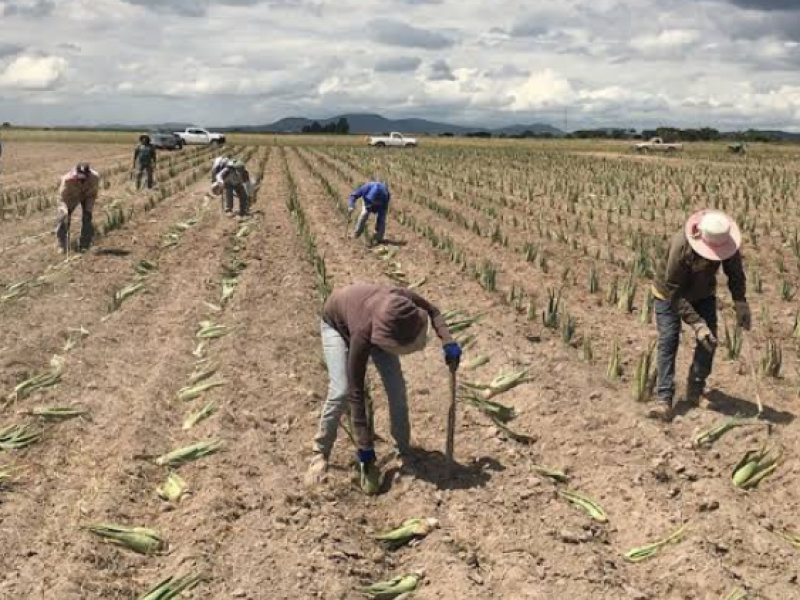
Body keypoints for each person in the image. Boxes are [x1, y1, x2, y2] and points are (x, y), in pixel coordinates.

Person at [305, 283, 463, 492]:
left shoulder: (401, 300)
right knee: (341, 390)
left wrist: (448, 341)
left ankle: (404, 450)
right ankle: (320, 453)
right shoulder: (362, 334)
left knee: (396, 388)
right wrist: (365, 447)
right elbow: (356, 392)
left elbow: (433, 311)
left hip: (375, 321)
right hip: (336, 323)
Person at [648, 209, 750, 421]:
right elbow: (674, 290)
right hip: (669, 293)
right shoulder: (682, 246)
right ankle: (663, 398)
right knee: (669, 339)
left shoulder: (725, 242)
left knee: (709, 340)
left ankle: (695, 390)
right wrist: (696, 323)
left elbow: (735, 272)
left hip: (703, 293)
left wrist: (740, 301)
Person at [55, 163, 100, 254]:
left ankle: (85, 244)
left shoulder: (94, 177)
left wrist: (88, 208)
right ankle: (62, 245)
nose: (81, 180)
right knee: (63, 219)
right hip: (71, 197)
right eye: (79, 178)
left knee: (87, 218)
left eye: (84, 178)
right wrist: (64, 210)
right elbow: (62, 198)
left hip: (87, 196)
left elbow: (93, 194)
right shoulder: (67, 180)